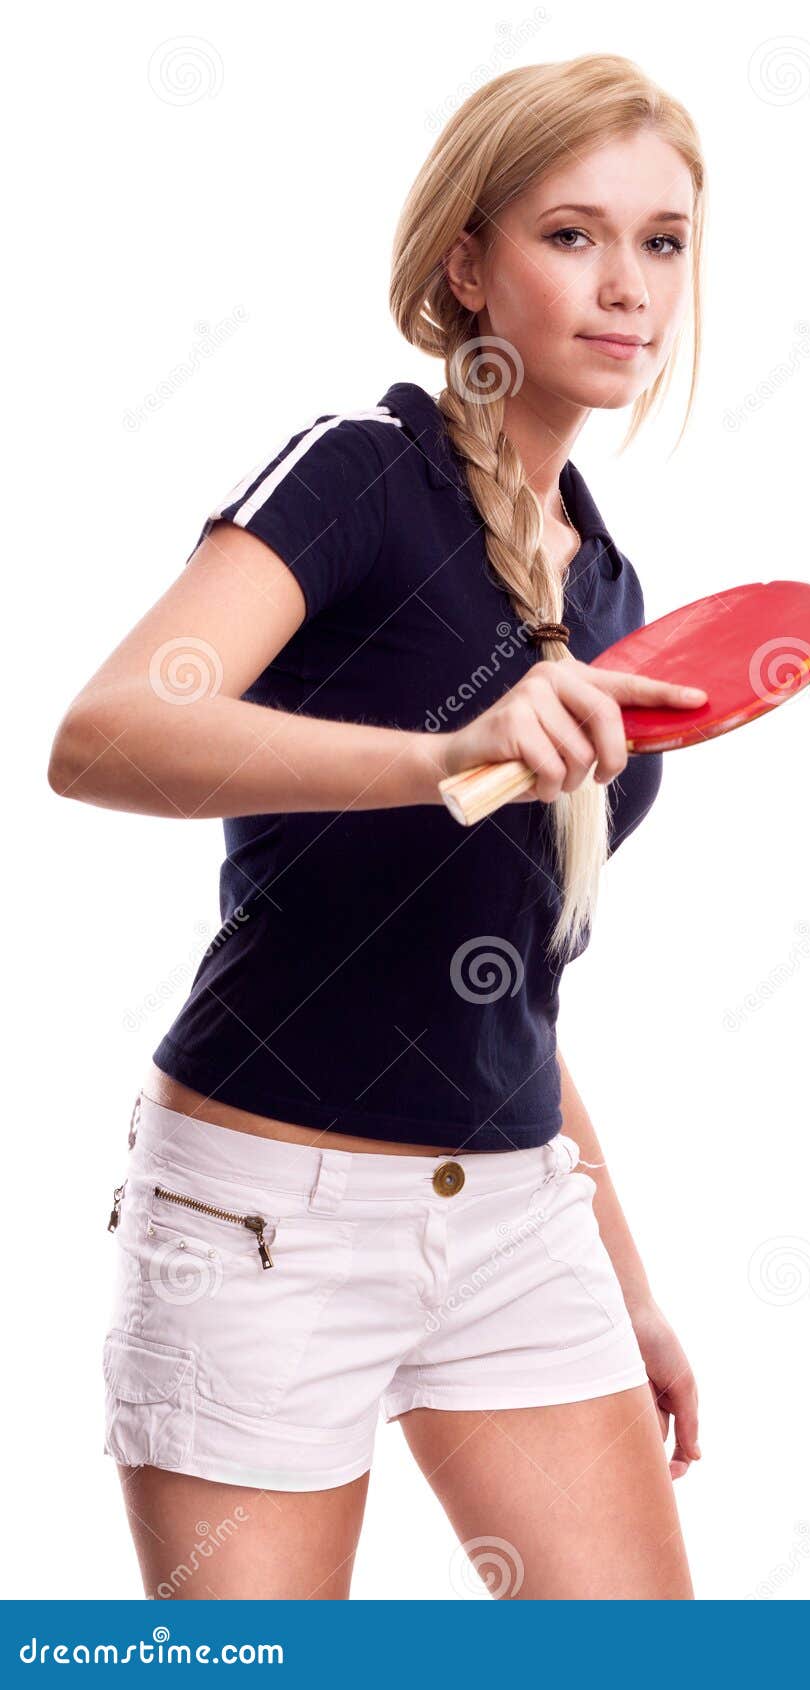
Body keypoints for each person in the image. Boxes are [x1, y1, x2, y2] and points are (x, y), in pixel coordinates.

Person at [48, 53, 711, 1601]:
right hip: (264, 1219)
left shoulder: (600, 590)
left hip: (513, 1220)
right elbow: (104, 734)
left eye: (662, 242)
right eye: (572, 234)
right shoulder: (360, 474)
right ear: (467, 263)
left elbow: (502, 986)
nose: (626, 285)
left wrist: (630, 1292)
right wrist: (441, 753)